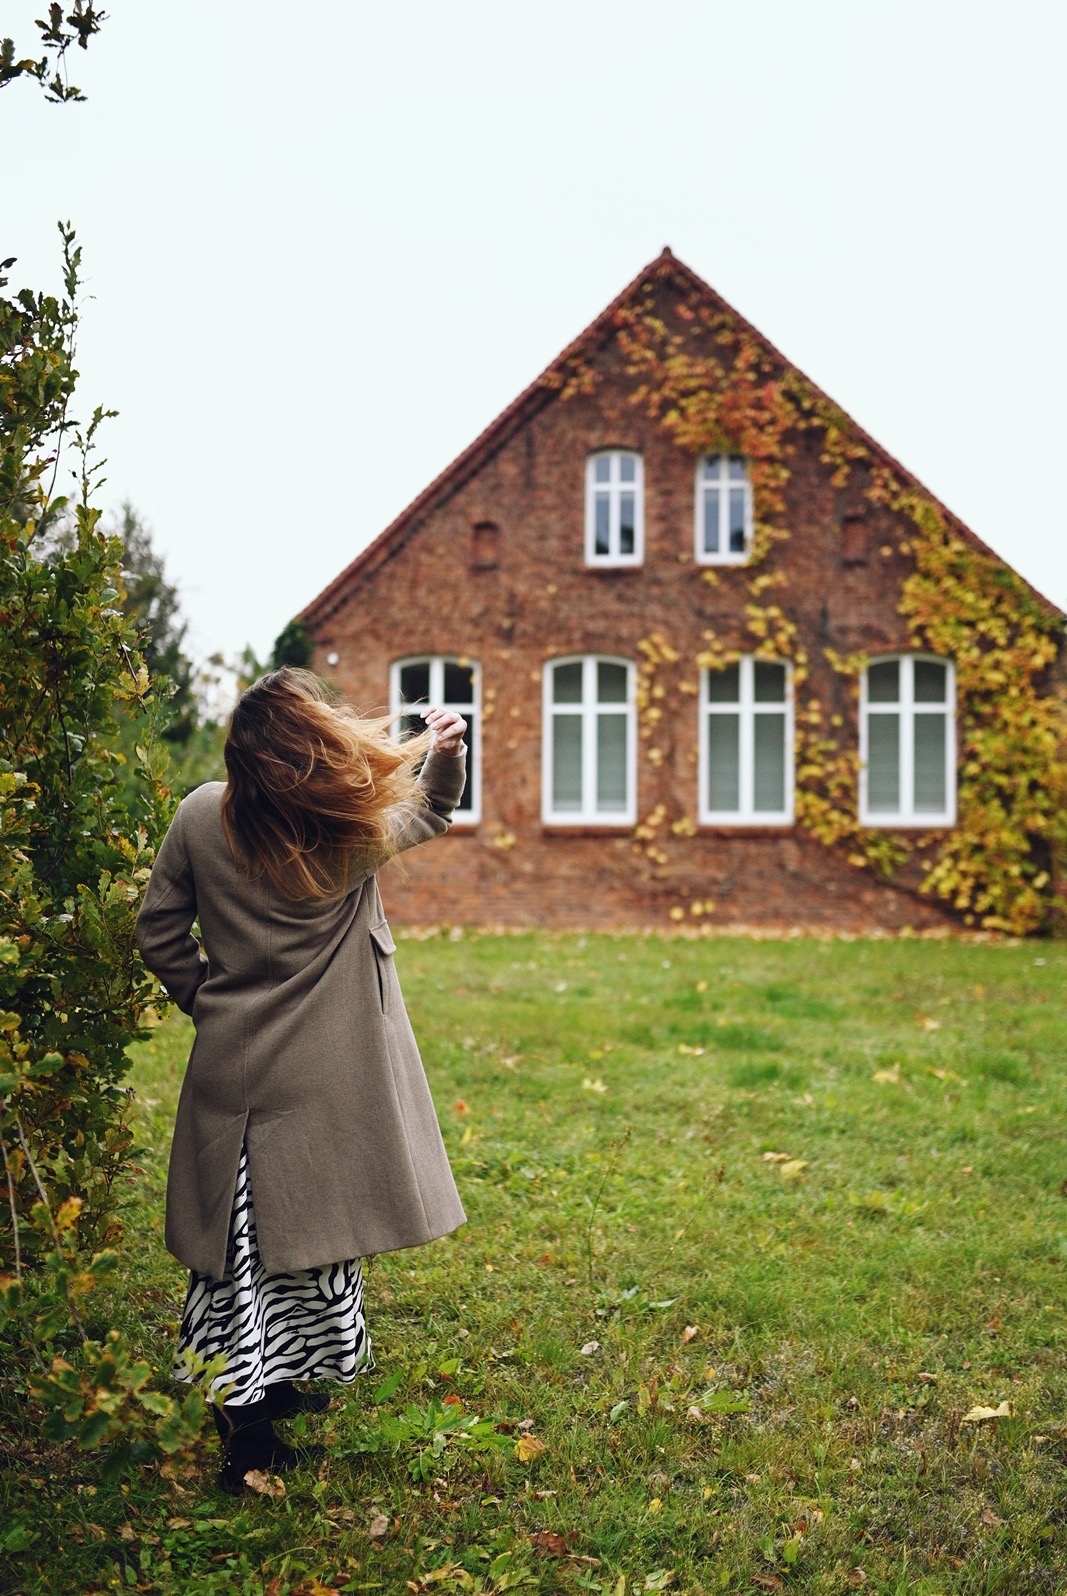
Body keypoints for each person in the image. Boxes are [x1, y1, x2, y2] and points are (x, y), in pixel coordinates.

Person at [136, 667, 468, 1493]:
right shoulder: (342, 832)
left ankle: (269, 1385)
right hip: (322, 1072)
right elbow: (431, 807)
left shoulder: (198, 816)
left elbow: (157, 930)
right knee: (299, 1236)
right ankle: (246, 1441)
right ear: (308, 747)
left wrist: (206, 999)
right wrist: (447, 751)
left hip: (235, 1068)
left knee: (243, 1245)